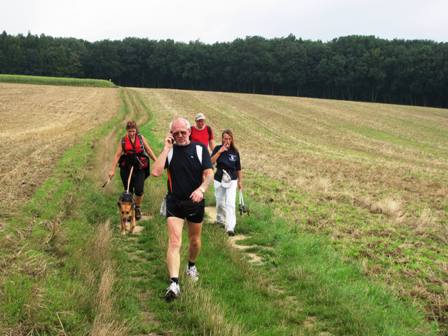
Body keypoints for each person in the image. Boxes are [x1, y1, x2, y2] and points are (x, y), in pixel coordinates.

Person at [152, 117, 213, 301]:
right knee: (174, 242)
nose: (179, 136)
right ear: (171, 134)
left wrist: (201, 189)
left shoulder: (200, 149)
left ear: (189, 132)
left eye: (182, 132)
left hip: (195, 202)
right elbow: (155, 172)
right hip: (175, 202)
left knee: (194, 241)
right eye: (175, 133)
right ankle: (174, 283)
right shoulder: (169, 152)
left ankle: (191, 266)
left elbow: (209, 174)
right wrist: (165, 148)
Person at [108, 120, 157, 220]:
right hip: (126, 167)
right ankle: (129, 211)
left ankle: (137, 208)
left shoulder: (141, 138)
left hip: (139, 166)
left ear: (136, 130)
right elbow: (117, 155)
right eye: (130, 131)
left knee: (139, 190)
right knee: (129, 190)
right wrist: (112, 170)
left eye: (133, 131)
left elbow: (148, 150)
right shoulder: (123, 140)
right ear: (127, 130)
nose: (131, 133)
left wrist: (157, 161)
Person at [211, 129, 243, 236]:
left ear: (232, 139)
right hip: (219, 177)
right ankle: (220, 220)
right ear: (222, 139)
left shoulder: (235, 152)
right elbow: (211, 162)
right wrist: (220, 151)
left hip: (232, 179)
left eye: (229, 139)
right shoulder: (217, 148)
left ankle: (230, 227)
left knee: (230, 203)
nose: (227, 141)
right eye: (225, 138)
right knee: (220, 202)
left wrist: (240, 181)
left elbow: (238, 168)